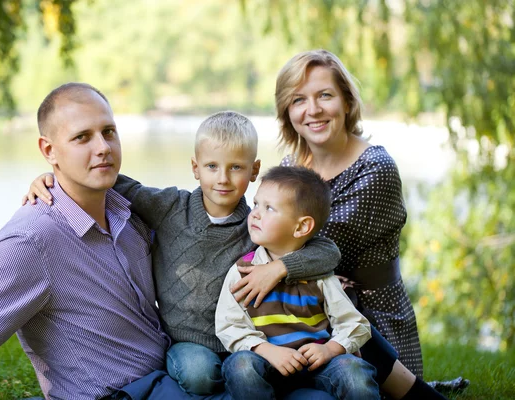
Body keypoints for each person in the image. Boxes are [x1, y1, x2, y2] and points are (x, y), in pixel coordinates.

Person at [0, 83, 205, 399]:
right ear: (49, 150)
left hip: (172, 381)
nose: (103, 147)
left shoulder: (128, 212)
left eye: (109, 132)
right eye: (82, 137)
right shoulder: (30, 242)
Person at [24, 110, 341, 399]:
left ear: (255, 170)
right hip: (189, 341)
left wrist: (280, 268)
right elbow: (112, 182)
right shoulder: (170, 208)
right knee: (199, 375)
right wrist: (55, 176)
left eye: (236, 168)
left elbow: (327, 251)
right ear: (195, 168)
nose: (223, 178)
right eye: (212, 166)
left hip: (246, 337)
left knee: (254, 372)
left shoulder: (257, 226)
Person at [235, 48, 463, 397]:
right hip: (305, 310)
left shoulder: (375, 168)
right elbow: (274, 237)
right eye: (298, 100)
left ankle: (415, 392)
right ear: (287, 112)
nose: (312, 110)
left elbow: (321, 244)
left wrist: (283, 267)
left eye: (324, 95)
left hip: (371, 317)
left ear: (346, 102)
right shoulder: (293, 164)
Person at [216, 166, 379, 400]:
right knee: (240, 366)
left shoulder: (319, 274)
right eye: (256, 204)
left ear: (302, 226)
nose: (255, 214)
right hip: (267, 362)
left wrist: (329, 349)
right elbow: (229, 325)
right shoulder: (243, 270)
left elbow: (355, 324)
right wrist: (267, 351)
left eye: (269, 208)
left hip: (316, 365)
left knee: (354, 369)